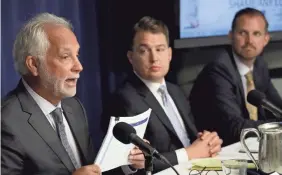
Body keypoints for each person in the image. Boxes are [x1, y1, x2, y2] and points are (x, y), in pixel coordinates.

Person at [1, 13, 144, 175]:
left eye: (77, 55)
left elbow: (92, 170)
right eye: (65, 56)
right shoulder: (6, 122)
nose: (79, 66)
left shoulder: (74, 106)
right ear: (34, 64)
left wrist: (128, 163)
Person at [101, 16, 223, 173]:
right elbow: (135, 165)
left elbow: (191, 140)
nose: (154, 58)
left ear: (170, 54)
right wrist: (190, 153)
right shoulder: (124, 99)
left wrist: (208, 142)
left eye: (160, 49)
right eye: (144, 51)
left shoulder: (175, 91)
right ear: (131, 57)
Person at [189, 8, 282, 146]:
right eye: (242, 33)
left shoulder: (260, 65)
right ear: (231, 36)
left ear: (265, 39)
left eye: (256, 34)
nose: (249, 40)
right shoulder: (218, 70)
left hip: (248, 145)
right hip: (219, 150)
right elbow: (235, 127)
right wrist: (278, 126)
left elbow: (276, 107)